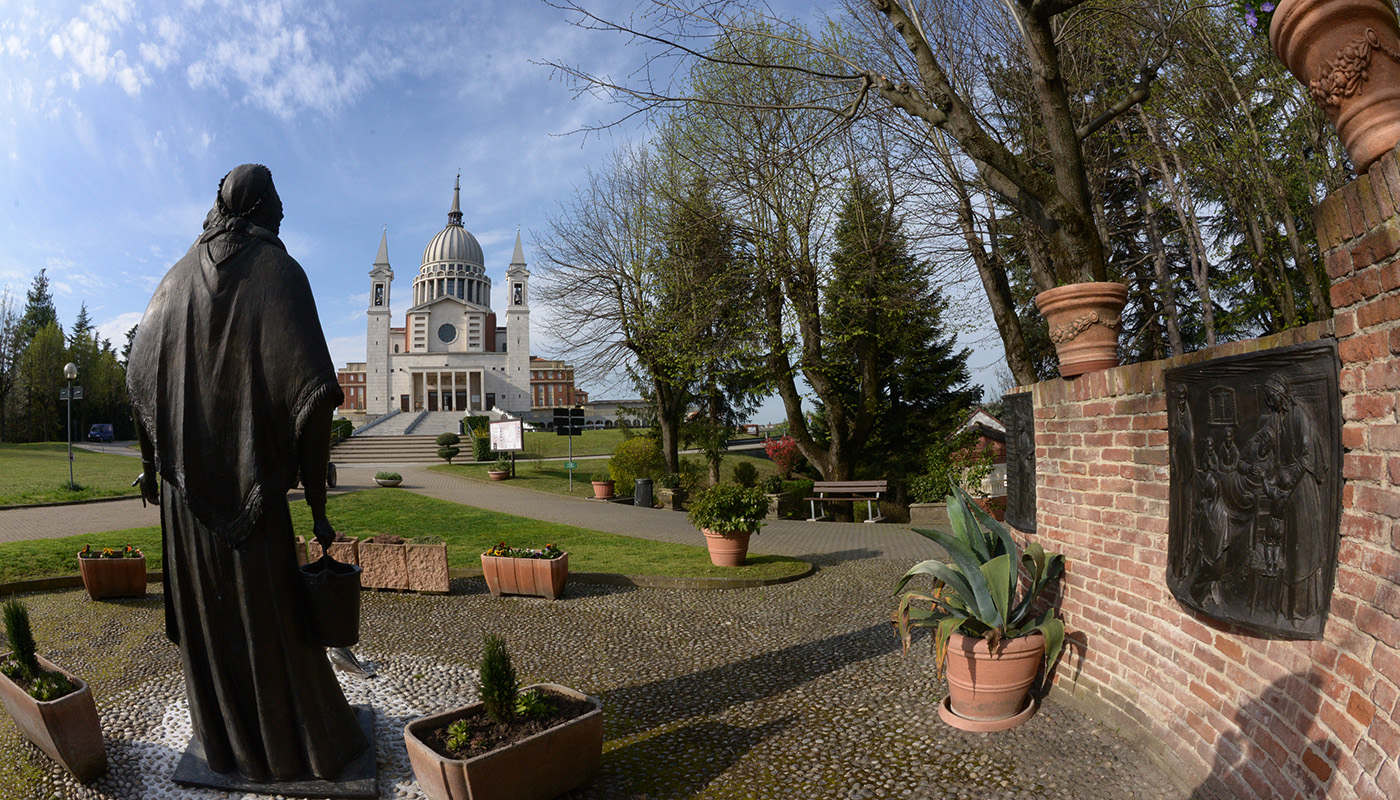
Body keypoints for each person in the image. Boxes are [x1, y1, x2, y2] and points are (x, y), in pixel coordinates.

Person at [126, 164, 367, 782]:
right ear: (261, 205)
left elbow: (139, 377)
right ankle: (298, 751)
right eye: (278, 202)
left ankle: (226, 746)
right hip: (251, 500)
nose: (283, 212)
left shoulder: (172, 281)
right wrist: (316, 504)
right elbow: (314, 400)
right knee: (274, 625)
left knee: (218, 623)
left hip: (185, 504)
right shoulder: (280, 274)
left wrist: (153, 469)